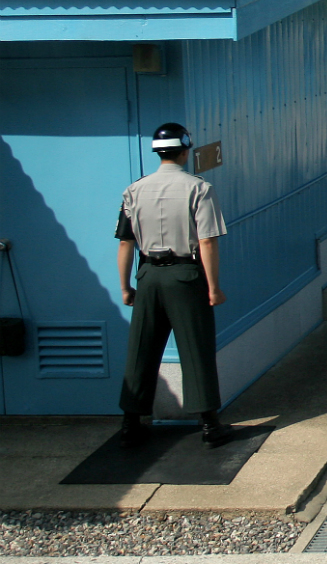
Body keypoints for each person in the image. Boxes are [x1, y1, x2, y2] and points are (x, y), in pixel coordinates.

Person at [115, 122, 234, 448]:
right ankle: (209, 424)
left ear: (157, 152)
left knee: (141, 348)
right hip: (185, 275)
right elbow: (207, 241)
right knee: (196, 348)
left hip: (149, 275)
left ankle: (131, 422)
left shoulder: (134, 190)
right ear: (185, 150)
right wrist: (213, 287)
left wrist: (126, 287)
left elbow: (126, 244)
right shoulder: (199, 189)